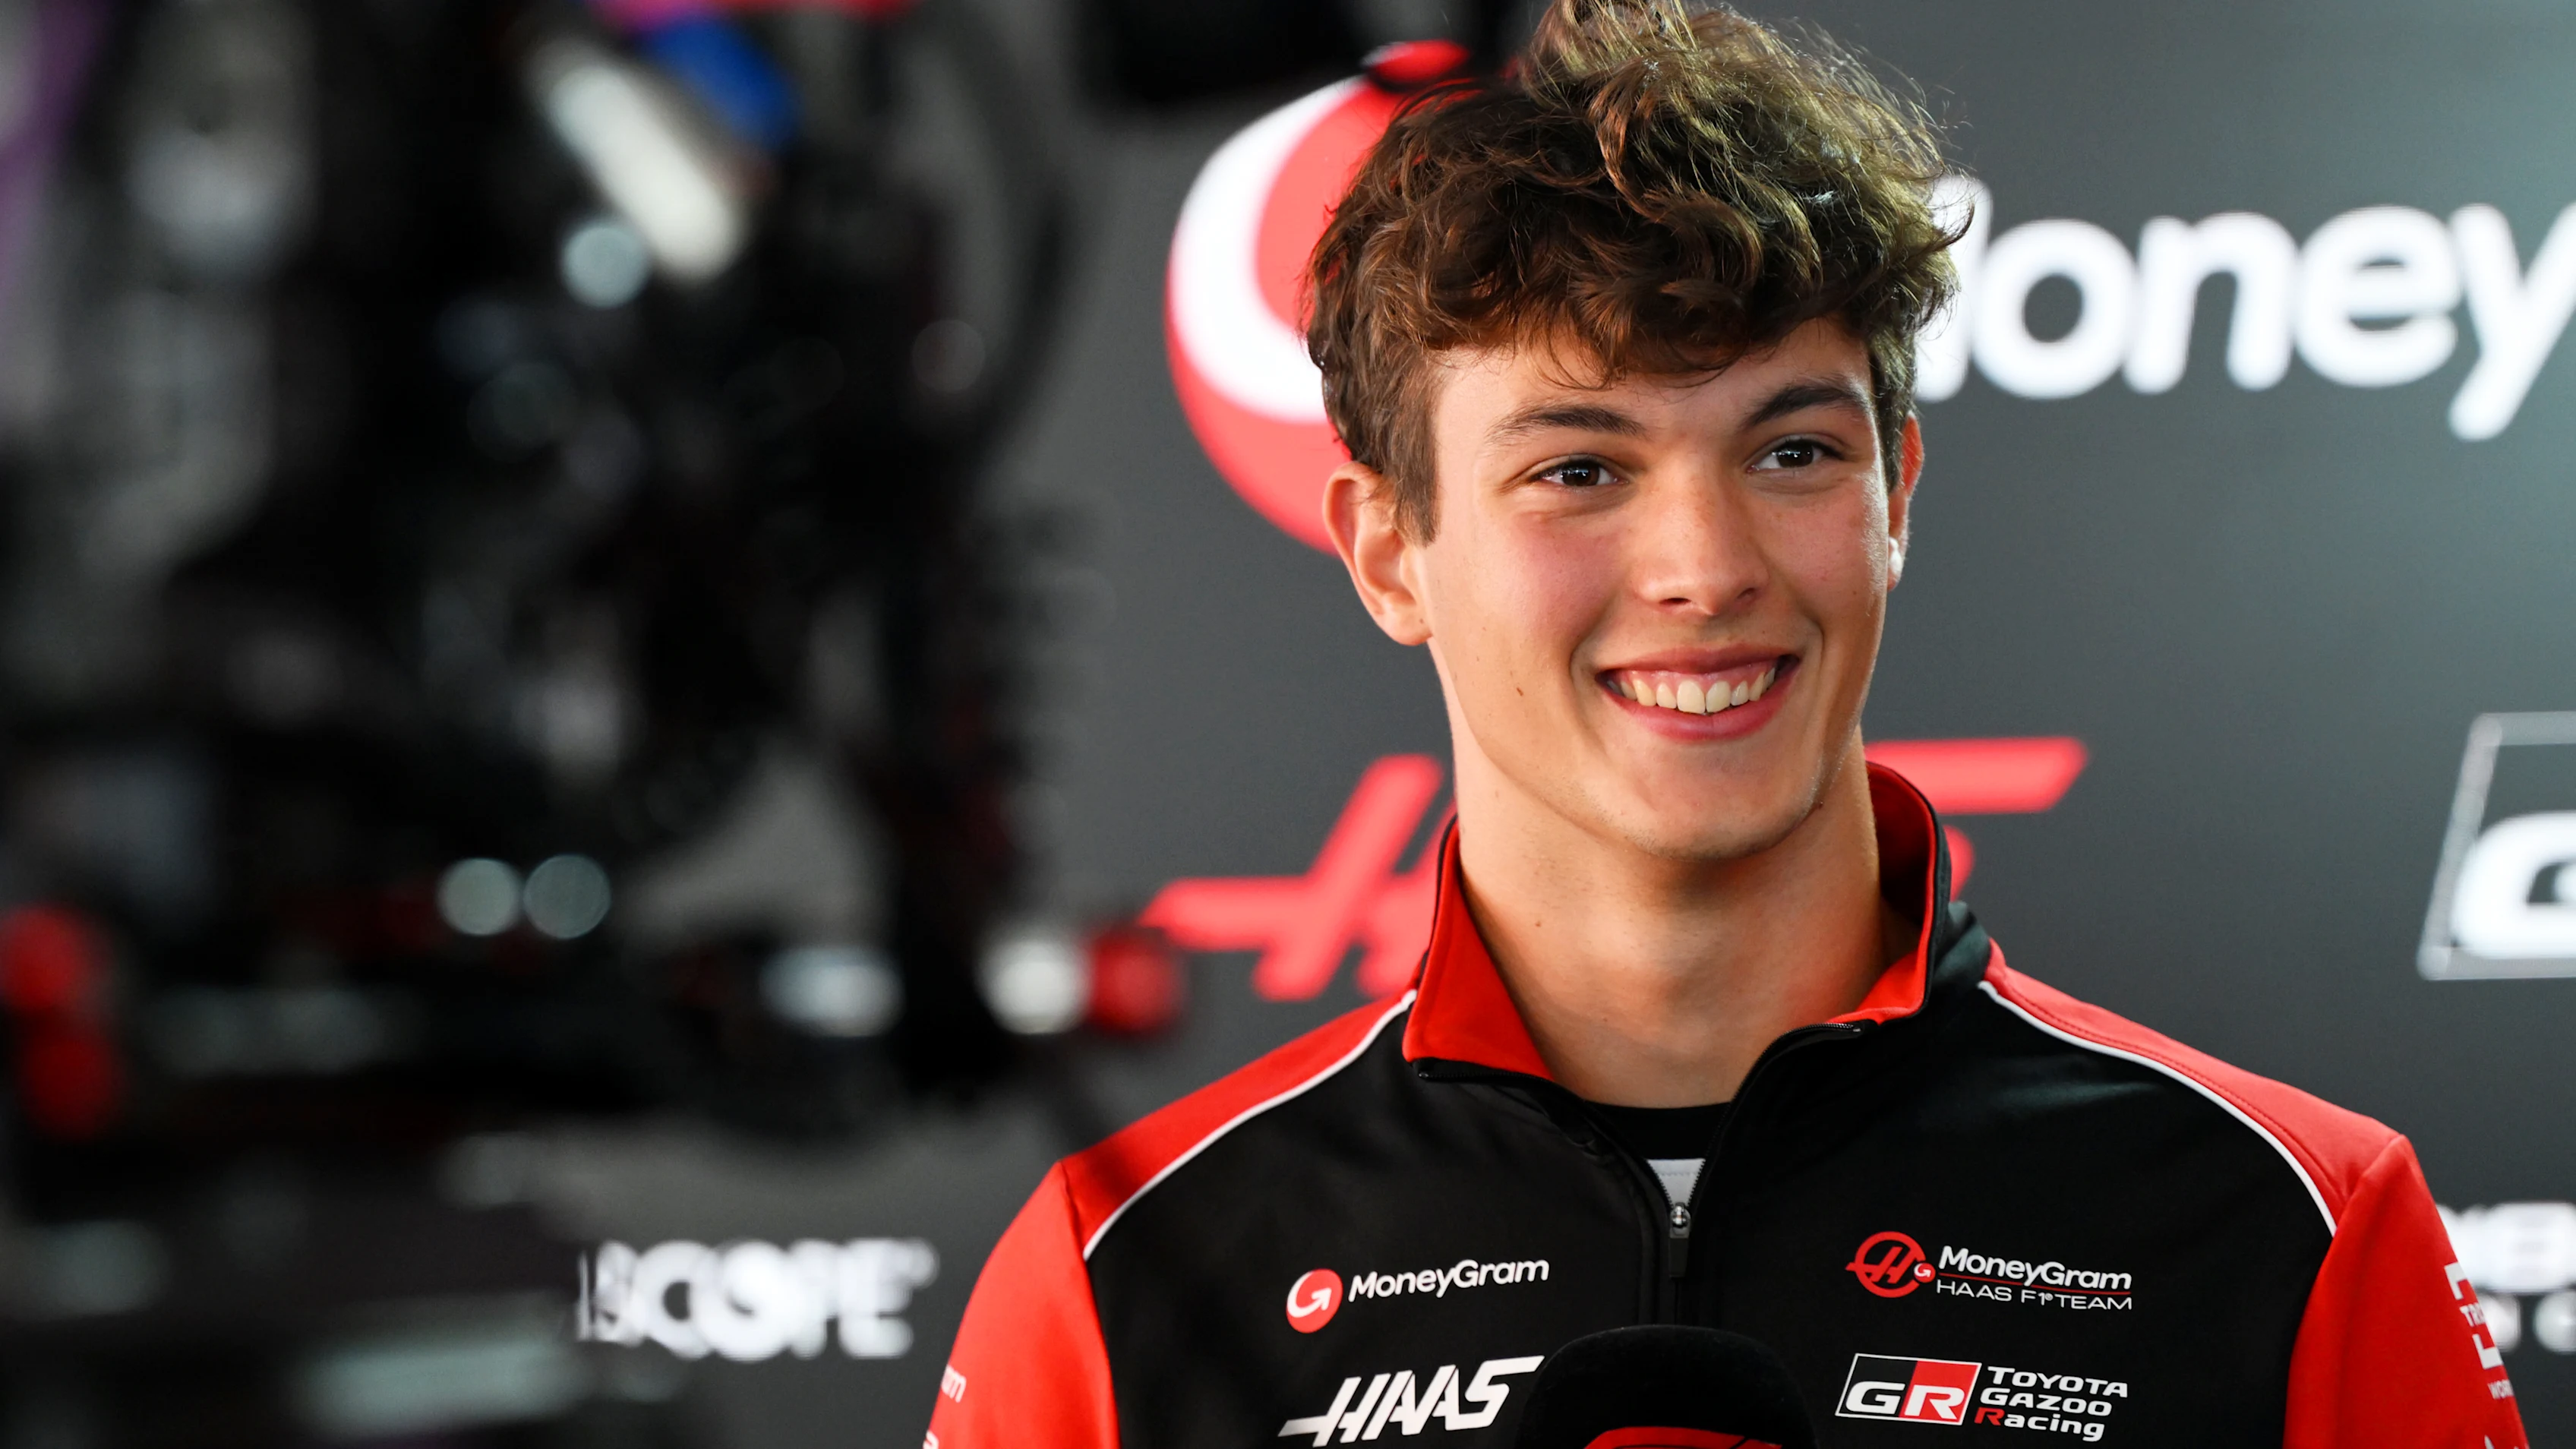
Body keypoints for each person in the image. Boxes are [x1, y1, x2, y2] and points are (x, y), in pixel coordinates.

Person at [927, 3, 2527, 1445]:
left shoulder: (2300, 1223)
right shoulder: (1120, 1271)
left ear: (1897, 490)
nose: (1704, 569)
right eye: (1578, 470)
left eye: (1790, 454)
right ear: (1386, 546)